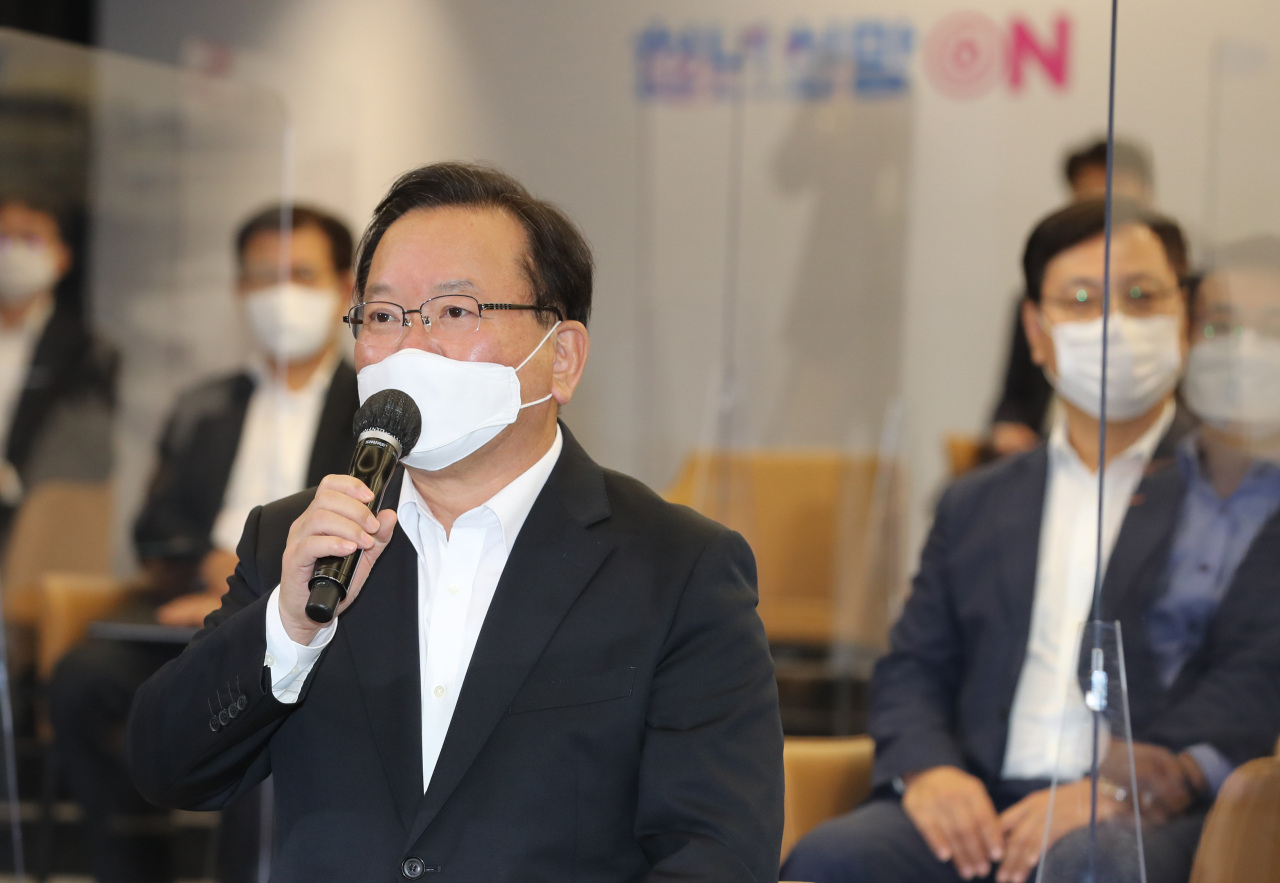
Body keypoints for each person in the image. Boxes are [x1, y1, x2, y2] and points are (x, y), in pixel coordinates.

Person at [125, 163, 784, 882]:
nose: (410, 346)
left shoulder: (677, 569)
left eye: (454, 310)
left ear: (561, 358)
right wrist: (287, 626)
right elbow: (169, 768)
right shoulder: (301, 540)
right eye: (382, 316)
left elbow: (716, 853)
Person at [781, 200, 1280, 883]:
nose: (1113, 325)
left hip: (1140, 812)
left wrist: (1118, 786)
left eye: (1141, 296)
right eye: (1080, 299)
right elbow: (913, 664)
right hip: (981, 799)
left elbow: (1251, 679)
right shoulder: (975, 501)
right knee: (833, 858)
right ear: (1037, 332)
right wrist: (931, 771)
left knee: (1088, 865)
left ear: (1185, 322)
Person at [48, 204, 359, 883]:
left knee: (276, 713)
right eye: (260, 276)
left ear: (345, 288)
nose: (280, 293)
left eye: (300, 274)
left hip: (313, 624)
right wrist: (205, 573)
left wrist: (262, 585)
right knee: (81, 680)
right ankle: (133, 868)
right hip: (188, 610)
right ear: (238, 290)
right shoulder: (204, 405)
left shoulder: (370, 410)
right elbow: (152, 528)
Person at [988, 138, 1155, 459]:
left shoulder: (1178, 292)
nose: (1104, 209)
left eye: (1115, 193)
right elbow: (1013, 398)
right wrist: (1009, 427)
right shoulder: (1042, 295)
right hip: (1048, 449)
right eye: (1089, 196)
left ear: (1146, 193)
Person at [0, 196, 115, 544]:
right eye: (4, 239)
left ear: (62, 256)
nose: (15, 252)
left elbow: (81, 458)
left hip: (30, 529)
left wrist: (9, 482)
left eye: (31, 240)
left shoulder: (87, 352)